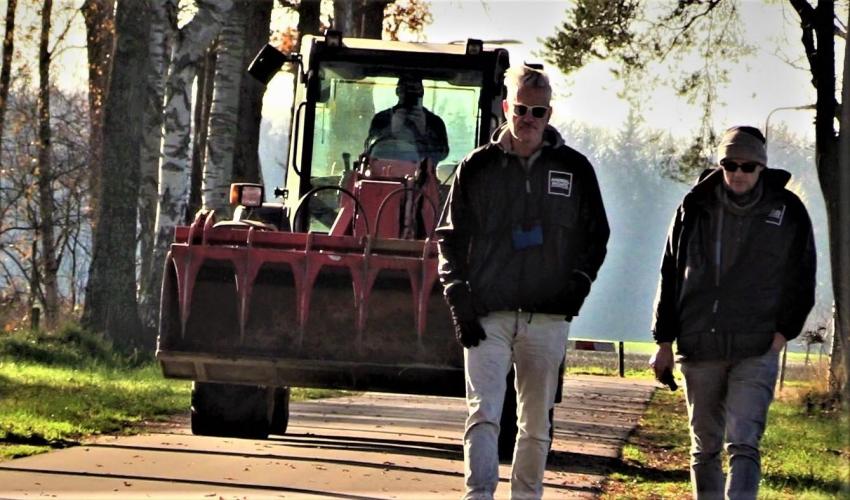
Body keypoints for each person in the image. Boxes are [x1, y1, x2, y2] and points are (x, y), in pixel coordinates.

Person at [436, 65, 609, 500]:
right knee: (484, 414)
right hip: (487, 315)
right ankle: (479, 495)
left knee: (535, 421)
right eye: (521, 109)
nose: (528, 119)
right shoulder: (477, 167)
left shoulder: (575, 170)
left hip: (547, 318)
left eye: (538, 111)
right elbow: (449, 238)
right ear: (505, 107)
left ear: (550, 114)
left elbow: (597, 236)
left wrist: (578, 285)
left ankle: (526, 496)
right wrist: (458, 298)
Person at [650, 125, 816, 500]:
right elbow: (670, 273)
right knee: (704, 446)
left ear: (762, 167)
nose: (738, 173)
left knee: (743, 443)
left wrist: (782, 333)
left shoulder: (787, 211)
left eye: (748, 166)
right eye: (730, 164)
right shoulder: (693, 206)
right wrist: (663, 340)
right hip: (699, 345)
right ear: (721, 164)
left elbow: (802, 276)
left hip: (756, 346)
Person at [365, 74, 449, 165]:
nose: (410, 93)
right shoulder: (382, 119)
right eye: (406, 89)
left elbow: (442, 154)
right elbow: (369, 149)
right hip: (384, 174)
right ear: (397, 91)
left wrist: (424, 132)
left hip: (423, 176)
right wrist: (391, 131)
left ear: (422, 92)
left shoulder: (434, 122)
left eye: (415, 89)